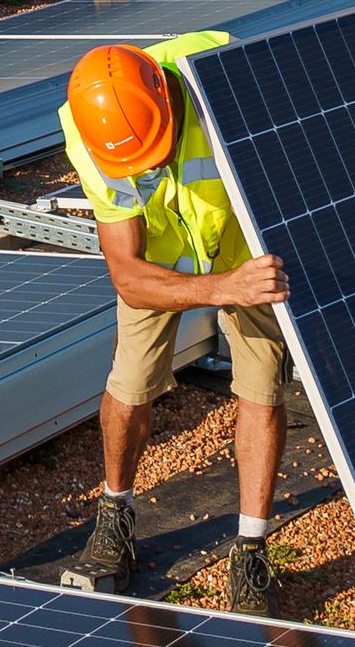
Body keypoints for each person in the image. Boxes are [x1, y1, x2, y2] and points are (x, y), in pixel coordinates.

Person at [58, 34, 292, 612]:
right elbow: (128, 276)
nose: (149, 165)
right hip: (160, 259)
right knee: (130, 385)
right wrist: (216, 289)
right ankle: (115, 514)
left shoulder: (227, 73)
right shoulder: (93, 137)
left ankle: (251, 549)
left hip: (245, 242)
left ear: (166, 97)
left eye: (156, 151)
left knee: (261, 390)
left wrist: (245, 277)